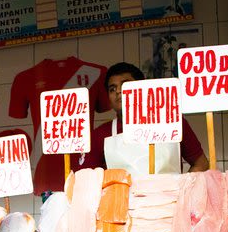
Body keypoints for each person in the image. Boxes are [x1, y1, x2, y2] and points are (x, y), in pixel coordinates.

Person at [81, 62, 209, 175]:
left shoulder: (173, 122)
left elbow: (201, 164)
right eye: (112, 89)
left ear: (142, 86)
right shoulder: (100, 135)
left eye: (125, 85)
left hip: (169, 201)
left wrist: (181, 192)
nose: (118, 91)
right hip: (123, 202)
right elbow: (86, 180)